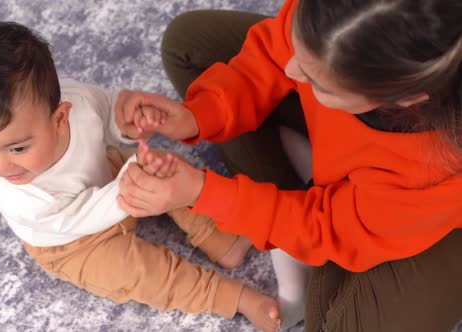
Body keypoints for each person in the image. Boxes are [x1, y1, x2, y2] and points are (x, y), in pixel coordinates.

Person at [115, 0, 462, 331]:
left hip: (428, 215)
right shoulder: (343, 16)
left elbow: (331, 230)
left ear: (405, 98)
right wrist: (194, 115)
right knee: (188, 44)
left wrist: (205, 192)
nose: (291, 69)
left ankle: (316, 199)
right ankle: (307, 201)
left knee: (336, 322)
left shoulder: (434, 164)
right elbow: (273, 54)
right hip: (375, 182)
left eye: (319, 82)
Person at [0, 21, 283, 331]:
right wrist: (131, 183)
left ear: (59, 118)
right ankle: (234, 297)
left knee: (168, 167)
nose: (2, 166)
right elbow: (80, 219)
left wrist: (124, 122)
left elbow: (105, 112)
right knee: (142, 272)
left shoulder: (77, 101)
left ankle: (222, 239)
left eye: (18, 149)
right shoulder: (13, 194)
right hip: (74, 242)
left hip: (109, 175)